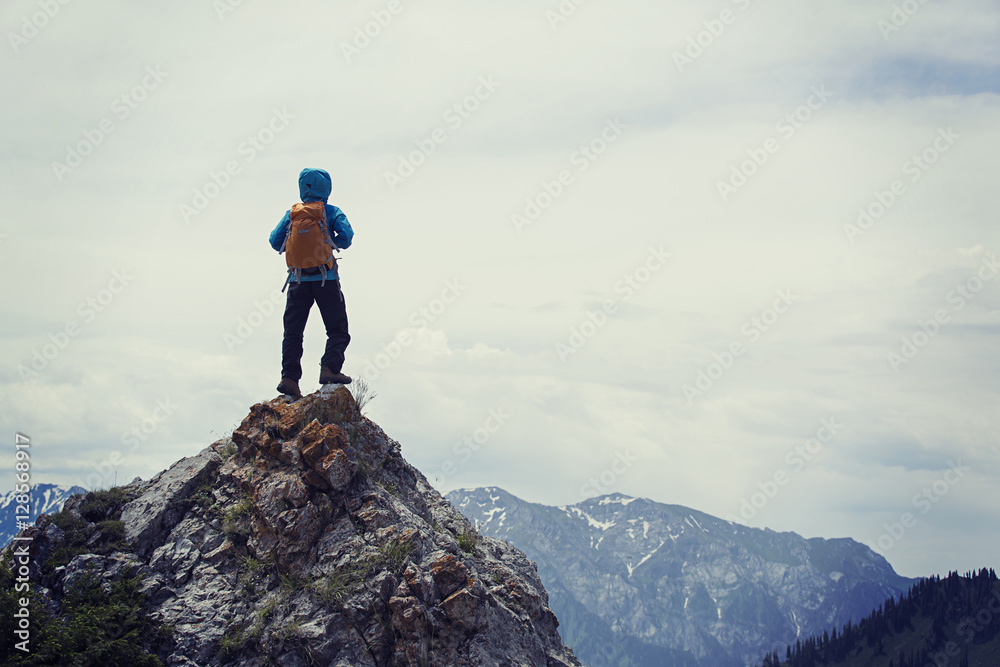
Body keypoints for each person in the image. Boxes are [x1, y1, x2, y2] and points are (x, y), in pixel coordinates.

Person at [269, 168, 354, 399]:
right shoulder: (330, 211)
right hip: (326, 278)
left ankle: (289, 379)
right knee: (337, 329)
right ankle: (330, 369)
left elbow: (274, 241)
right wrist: (330, 242)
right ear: (327, 188)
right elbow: (347, 236)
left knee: (293, 332)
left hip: (297, 280)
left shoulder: (292, 214)